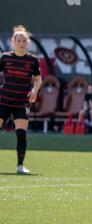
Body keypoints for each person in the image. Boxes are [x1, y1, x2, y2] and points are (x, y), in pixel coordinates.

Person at [0, 25, 42, 174]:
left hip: (21, 102)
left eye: (24, 40)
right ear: (13, 41)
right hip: (3, 100)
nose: (21, 43)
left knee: (21, 133)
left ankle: (20, 166)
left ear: (28, 42)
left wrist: (35, 91)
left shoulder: (33, 60)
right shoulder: (5, 57)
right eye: (18, 40)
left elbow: (38, 79)